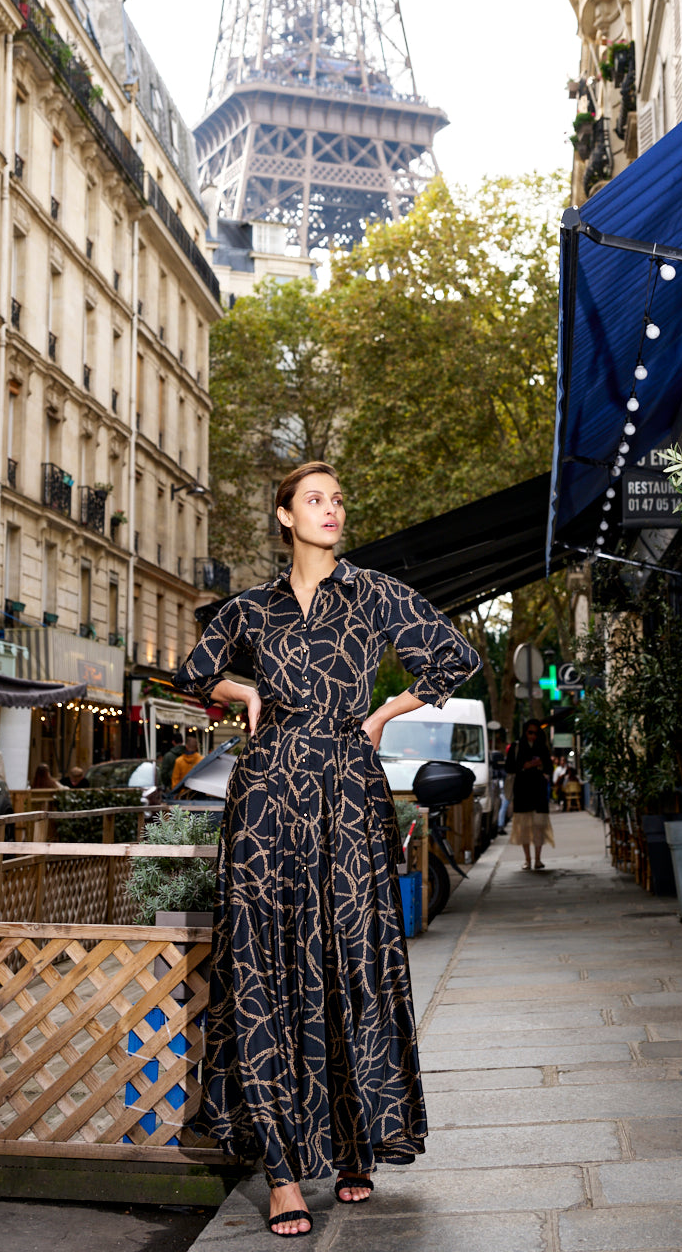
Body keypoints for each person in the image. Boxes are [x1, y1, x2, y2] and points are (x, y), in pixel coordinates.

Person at [174, 461, 480, 1237]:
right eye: (314, 500)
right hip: (268, 794)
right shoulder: (250, 608)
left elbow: (452, 658)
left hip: (346, 786)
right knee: (265, 964)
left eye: (338, 499)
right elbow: (192, 673)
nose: (331, 510)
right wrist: (245, 693)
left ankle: (354, 1145)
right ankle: (281, 1173)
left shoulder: (374, 593)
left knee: (353, 956)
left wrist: (383, 713)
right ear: (283, 516)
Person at [505, 720, 554, 870]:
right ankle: (528, 859)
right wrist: (526, 766)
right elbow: (509, 767)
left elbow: (550, 768)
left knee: (539, 826)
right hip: (522, 792)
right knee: (524, 827)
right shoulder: (516, 747)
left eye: (535, 733)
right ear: (525, 732)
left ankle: (537, 859)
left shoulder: (543, 748)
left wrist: (540, 764)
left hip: (538, 791)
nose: (532, 736)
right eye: (530, 732)